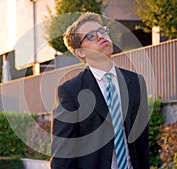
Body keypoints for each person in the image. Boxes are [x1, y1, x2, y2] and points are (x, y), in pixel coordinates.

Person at [51, 12, 149, 169]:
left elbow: (142, 141)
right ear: (80, 52)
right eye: (90, 36)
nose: (100, 36)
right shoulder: (70, 91)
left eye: (102, 31)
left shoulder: (136, 82)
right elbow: (63, 156)